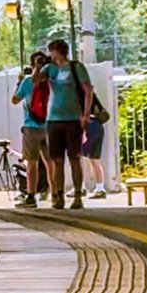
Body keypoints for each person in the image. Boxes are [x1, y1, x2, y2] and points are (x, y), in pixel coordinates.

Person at [34, 39, 93, 210]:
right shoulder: (49, 68)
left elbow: (88, 90)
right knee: (57, 160)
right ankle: (58, 195)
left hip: (73, 118)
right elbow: (36, 80)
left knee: (74, 158)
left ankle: (77, 195)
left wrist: (86, 114)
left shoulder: (76, 67)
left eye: (52, 51)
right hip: (53, 119)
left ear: (58, 51)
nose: (50, 55)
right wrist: (38, 66)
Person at [11, 51, 54, 208]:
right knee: (51, 162)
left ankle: (31, 196)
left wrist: (20, 82)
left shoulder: (28, 81)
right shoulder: (52, 80)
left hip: (31, 126)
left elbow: (15, 100)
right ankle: (56, 194)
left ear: (32, 64)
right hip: (49, 126)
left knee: (32, 163)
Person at [83, 113, 106, 198]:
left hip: (87, 125)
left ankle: (81, 188)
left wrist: (83, 131)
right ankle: (100, 188)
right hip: (97, 124)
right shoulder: (92, 100)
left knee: (81, 158)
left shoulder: (77, 100)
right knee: (94, 159)